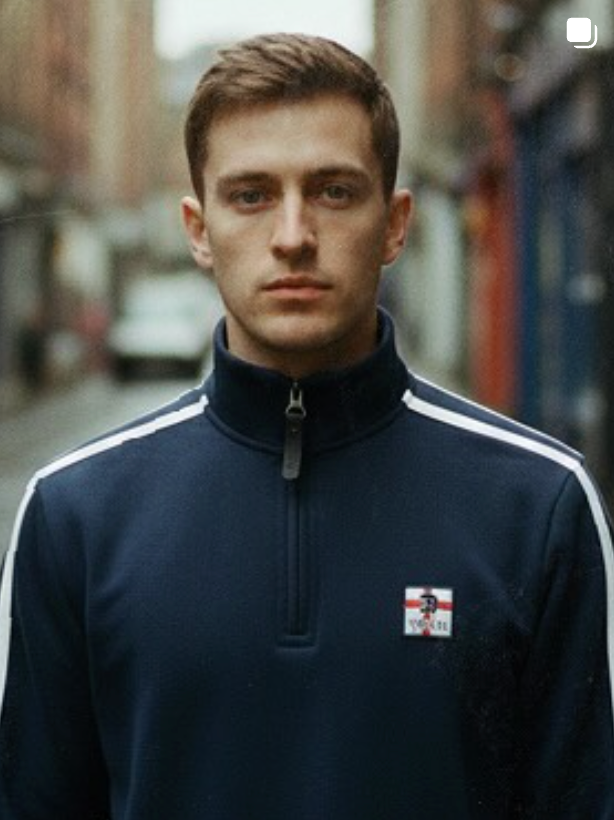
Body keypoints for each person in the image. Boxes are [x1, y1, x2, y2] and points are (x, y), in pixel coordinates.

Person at [0, 33, 612, 819]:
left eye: (334, 191)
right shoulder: (74, 515)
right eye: (251, 196)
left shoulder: (537, 505)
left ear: (394, 224)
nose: (293, 235)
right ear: (198, 229)